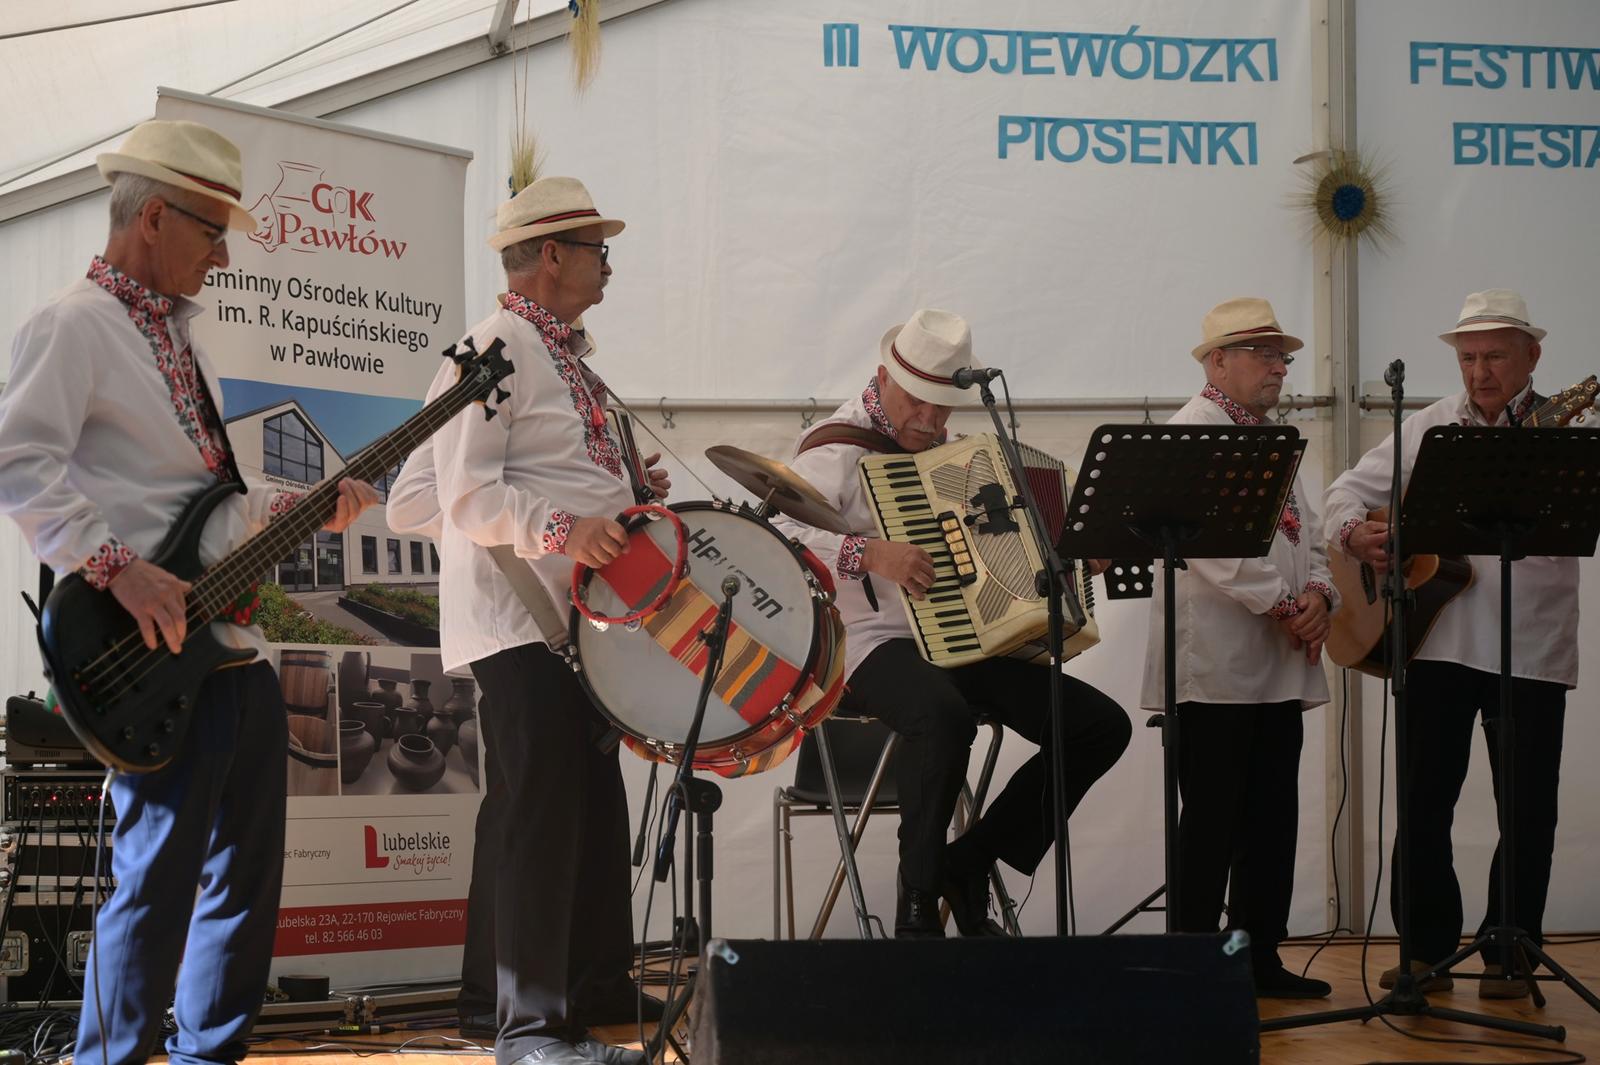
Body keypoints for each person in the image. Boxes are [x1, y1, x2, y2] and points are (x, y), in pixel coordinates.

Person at [0, 120, 378, 1064]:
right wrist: (115, 565)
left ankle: (211, 1052)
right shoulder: (71, 325)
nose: (223, 255)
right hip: (150, 651)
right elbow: (16, 461)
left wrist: (307, 510)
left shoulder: (182, 341)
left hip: (230, 650)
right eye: (212, 231)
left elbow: (213, 505)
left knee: (246, 877)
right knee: (155, 878)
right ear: (154, 217)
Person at [405, 175, 658, 1065]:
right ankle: (532, 1027)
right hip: (522, 618)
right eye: (597, 249)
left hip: (570, 621)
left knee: (577, 808)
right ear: (551, 254)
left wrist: (622, 493)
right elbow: (463, 494)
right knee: (544, 817)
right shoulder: (493, 348)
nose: (608, 265)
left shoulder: (561, 358)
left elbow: (420, 492)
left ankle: (568, 991)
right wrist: (564, 528)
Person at [774, 308, 1132, 937]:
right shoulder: (836, 447)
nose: (929, 420)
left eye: (942, 408)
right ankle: (917, 906)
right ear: (883, 378)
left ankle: (967, 862)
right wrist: (868, 552)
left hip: (955, 638)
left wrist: (1073, 553)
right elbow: (778, 537)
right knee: (942, 714)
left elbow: (1002, 546)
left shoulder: (955, 454)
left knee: (1098, 726)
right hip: (863, 644)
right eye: (916, 402)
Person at [1324, 289, 1576, 999]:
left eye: (1495, 356)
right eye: (1468, 358)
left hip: (1532, 644)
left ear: (1532, 355)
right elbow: (1343, 493)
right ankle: (1425, 951)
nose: (1480, 371)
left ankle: (1510, 950)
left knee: (1527, 808)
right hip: (1435, 643)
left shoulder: (1570, 431)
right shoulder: (1431, 425)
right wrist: (1356, 533)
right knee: (1423, 802)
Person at [1141, 297, 1337, 998]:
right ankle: (1196, 963)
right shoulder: (1191, 432)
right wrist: (1286, 604)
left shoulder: (1272, 436)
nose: (1279, 367)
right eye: (1263, 354)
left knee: (1271, 819)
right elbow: (1208, 548)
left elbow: (1312, 533)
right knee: (1212, 823)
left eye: (1282, 356)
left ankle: (1259, 956)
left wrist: (1320, 594)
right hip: (1216, 664)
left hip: (1279, 662)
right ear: (1217, 361)